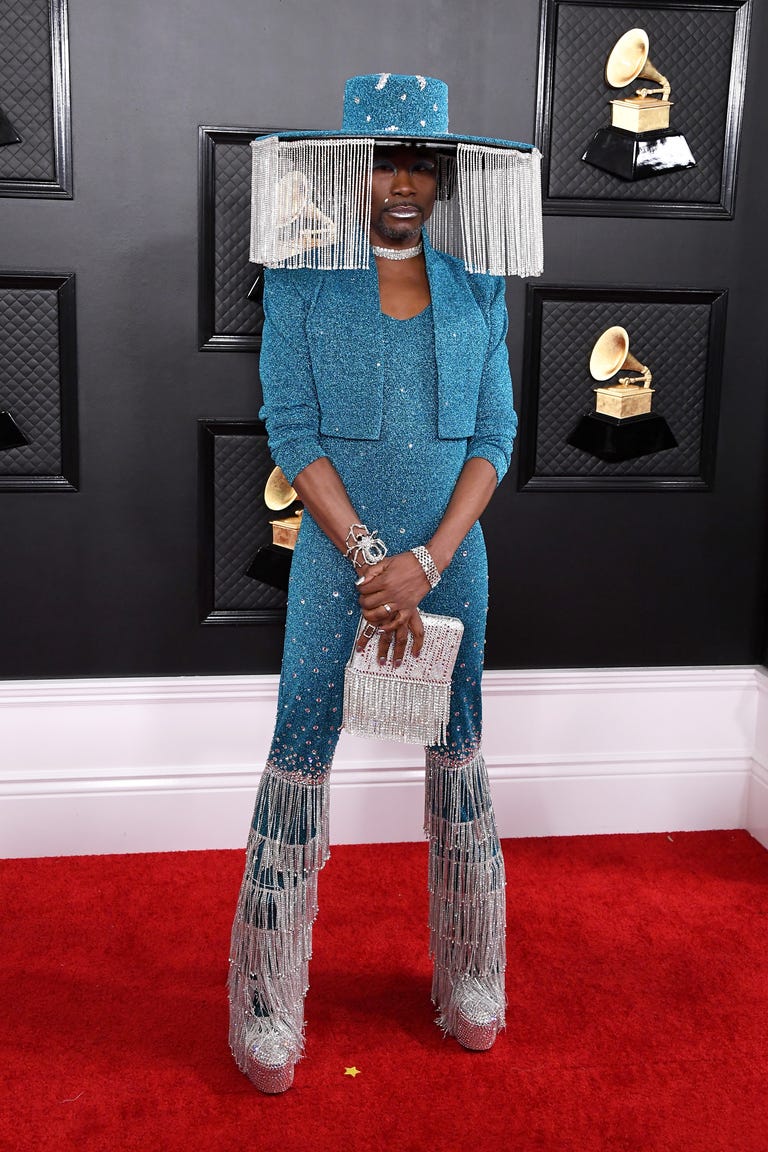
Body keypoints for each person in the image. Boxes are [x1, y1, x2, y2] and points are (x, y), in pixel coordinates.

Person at [228, 73, 543, 1094]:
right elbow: (294, 432)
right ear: (354, 170)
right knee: (298, 757)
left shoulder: (476, 287)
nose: (403, 183)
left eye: (421, 164)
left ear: (443, 178)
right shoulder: (301, 283)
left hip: (451, 561)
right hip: (337, 563)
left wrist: (430, 560)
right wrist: (371, 559)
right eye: (385, 163)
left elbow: (495, 438)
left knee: (458, 753)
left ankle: (472, 975)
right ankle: (268, 1000)